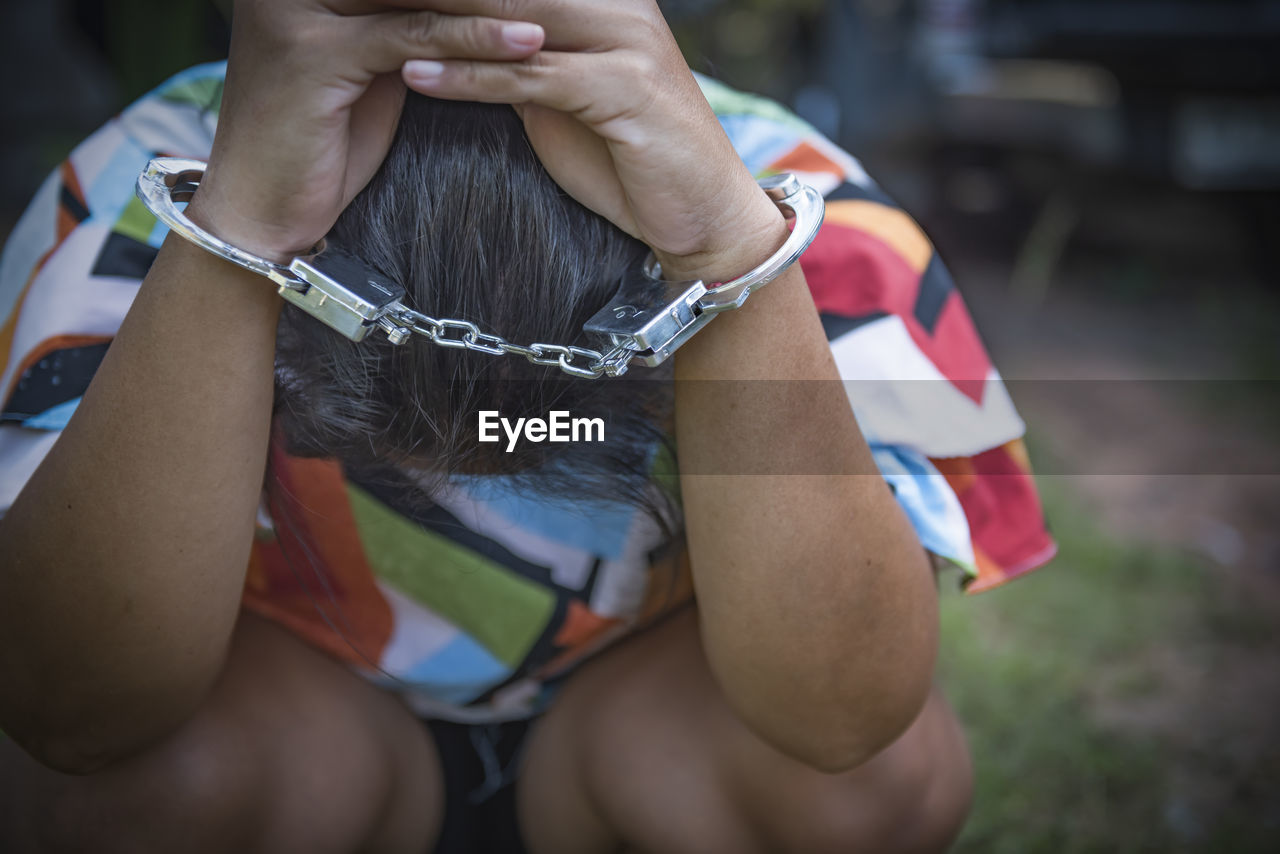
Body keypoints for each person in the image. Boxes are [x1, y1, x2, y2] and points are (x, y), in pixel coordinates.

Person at [0, 1, 1055, 851]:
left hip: (652, 734)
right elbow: (69, 712)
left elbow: (848, 720)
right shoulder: (137, 191)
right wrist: (236, 223)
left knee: (863, 792)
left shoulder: (811, 209)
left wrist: (729, 248)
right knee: (124, 801)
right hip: (298, 731)